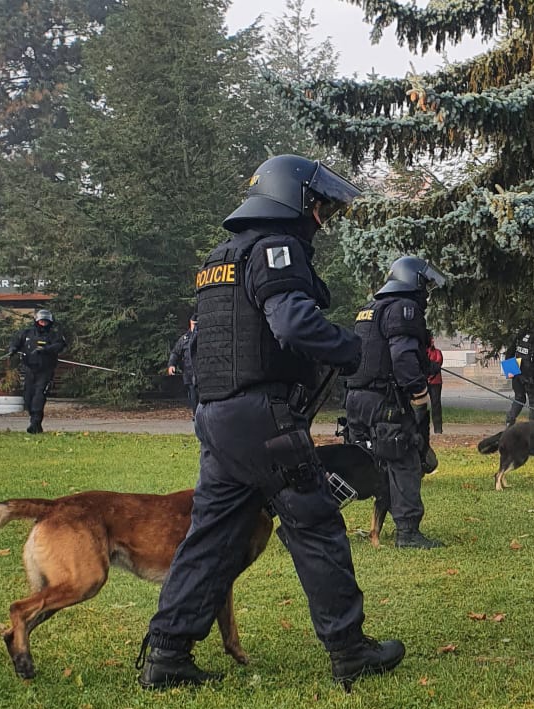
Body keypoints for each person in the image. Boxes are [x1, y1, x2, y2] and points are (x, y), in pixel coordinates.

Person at [136, 155, 404, 690]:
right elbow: (292, 322)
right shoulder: (275, 250)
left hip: (218, 419)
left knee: (209, 537)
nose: (325, 216)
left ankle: (167, 655)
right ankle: (350, 651)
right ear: (297, 200)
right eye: (322, 205)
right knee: (316, 524)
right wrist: (348, 349)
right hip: (262, 419)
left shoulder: (220, 259)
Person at [345, 256, 446, 549]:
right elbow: (401, 356)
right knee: (405, 461)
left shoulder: (370, 309)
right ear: (412, 281)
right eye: (424, 284)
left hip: (357, 399)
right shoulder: (405, 309)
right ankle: (408, 533)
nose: (426, 292)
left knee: (362, 464)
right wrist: (417, 390)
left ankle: (309, 520)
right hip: (385, 402)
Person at [7, 309, 67, 434]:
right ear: (36, 321)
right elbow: (16, 342)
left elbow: (60, 345)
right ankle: (35, 422)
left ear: (50, 322)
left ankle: (34, 423)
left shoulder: (54, 335)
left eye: (46, 322)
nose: (43, 324)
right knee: (28, 397)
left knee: (39, 396)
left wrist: (45, 349)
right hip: (29, 369)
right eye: (41, 321)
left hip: (45, 370)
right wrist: (12, 349)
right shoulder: (27, 333)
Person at [504, 320, 534, 427]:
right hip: (529, 376)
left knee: (519, 398)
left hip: (517, 374)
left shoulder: (522, 336)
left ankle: (509, 422)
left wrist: (509, 370)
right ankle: (532, 427)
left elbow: (510, 351)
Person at [167, 314, 198, 416]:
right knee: (193, 397)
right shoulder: (184, 339)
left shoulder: (204, 337)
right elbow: (175, 353)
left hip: (203, 374)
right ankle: (195, 416)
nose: (196, 326)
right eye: (194, 324)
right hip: (189, 374)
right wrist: (171, 364)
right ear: (190, 323)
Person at [426, 331, 443, 434]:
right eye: (430, 339)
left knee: (436, 405)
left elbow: (437, 364)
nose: (432, 340)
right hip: (423, 382)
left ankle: (438, 429)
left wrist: (430, 376)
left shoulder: (437, 352)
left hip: (436, 382)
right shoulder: (422, 351)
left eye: (433, 338)